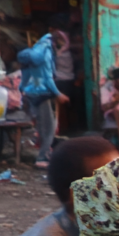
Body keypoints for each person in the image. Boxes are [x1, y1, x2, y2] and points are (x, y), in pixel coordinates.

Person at [19, 29, 69, 167]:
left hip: (31, 92)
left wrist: (22, 89)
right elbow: (47, 78)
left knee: (41, 126)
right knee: (49, 127)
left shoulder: (36, 50)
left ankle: (44, 154)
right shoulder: (45, 52)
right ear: (57, 43)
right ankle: (42, 158)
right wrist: (58, 94)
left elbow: (25, 73)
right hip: (42, 93)